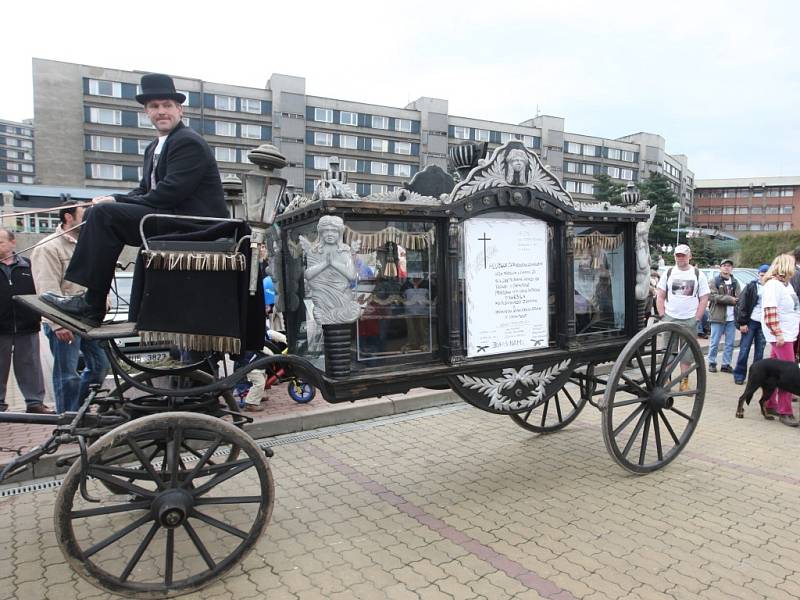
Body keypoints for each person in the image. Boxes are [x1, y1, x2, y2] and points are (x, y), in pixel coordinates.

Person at [41, 73, 228, 326]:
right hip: (167, 217)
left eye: (167, 105)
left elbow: (169, 193)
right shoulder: (154, 148)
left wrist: (115, 201)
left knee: (103, 216)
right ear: (146, 112)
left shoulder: (188, 142)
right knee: (101, 213)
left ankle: (92, 303)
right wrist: (112, 198)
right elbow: (144, 190)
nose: (161, 111)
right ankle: (92, 301)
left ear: (179, 109)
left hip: (192, 224)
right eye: (154, 106)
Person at [31, 205, 109, 413]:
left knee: (100, 366)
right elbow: (46, 291)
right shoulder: (48, 248)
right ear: (68, 217)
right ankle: (67, 419)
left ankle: (78, 411)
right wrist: (57, 324)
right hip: (64, 321)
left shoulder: (86, 245)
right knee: (67, 374)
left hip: (87, 319)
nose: (88, 221)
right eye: (84, 216)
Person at [0, 228, 52, 414]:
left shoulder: (29, 265)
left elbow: (42, 289)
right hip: (0, 328)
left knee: (30, 365)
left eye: (1, 242)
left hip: (27, 324)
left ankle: (35, 403)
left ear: (13, 242)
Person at [655, 244, 710, 391]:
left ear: (689, 256)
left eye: (683, 255)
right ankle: (666, 380)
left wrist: (697, 318)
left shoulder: (698, 274)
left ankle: (683, 381)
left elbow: (704, 298)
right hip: (670, 317)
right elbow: (660, 295)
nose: (680, 258)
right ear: (674, 257)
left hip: (689, 319)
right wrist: (662, 315)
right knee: (667, 351)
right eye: (678, 255)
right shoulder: (669, 273)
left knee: (687, 353)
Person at [760, 253, 800, 426]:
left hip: (788, 333)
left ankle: (770, 404)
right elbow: (770, 311)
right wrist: (778, 333)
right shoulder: (773, 285)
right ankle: (785, 411)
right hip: (782, 335)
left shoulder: (786, 285)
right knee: (789, 374)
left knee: (775, 371)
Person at [732, 264, 769, 385]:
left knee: (759, 353)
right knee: (744, 349)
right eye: (761, 275)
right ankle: (739, 375)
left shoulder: (772, 287)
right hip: (751, 321)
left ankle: (756, 378)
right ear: (758, 274)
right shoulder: (751, 286)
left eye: (765, 275)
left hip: (764, 323)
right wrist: (742, 323)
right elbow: (742, 304)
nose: (763, 277)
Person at [707, 259, 740, 373]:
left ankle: (726, 364)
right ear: (720, 268)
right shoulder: (714, 281)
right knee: (714, 342)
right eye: (724, 266)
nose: (727, 268)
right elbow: (713, 297)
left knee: (730, 343)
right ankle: (712, 362)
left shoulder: (735, 282)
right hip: (717, 316)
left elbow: (739, 297)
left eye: (729, 266)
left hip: (732, 318)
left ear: (732, 268)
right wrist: (731, 299)